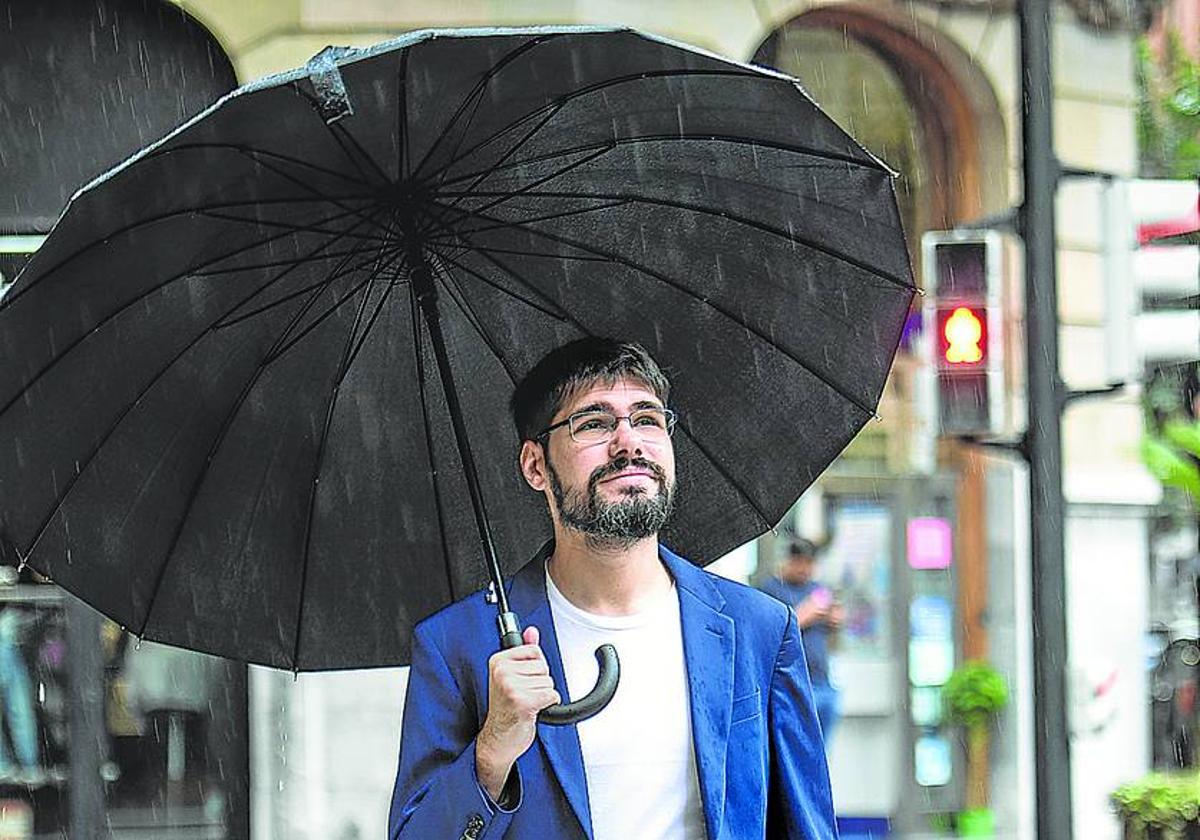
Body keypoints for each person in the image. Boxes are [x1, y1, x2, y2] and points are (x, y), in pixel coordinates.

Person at [388, 337, 836, 840]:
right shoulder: (459, 646)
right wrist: (491, 752)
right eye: (594, 423)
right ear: (536, 465)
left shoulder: (759, 628)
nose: (629, 443)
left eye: (647, 418)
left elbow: (806, 826)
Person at [758, 539, 842, 744]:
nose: (805, 569)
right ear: (790, 561)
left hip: (823, 680)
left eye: (810, 564)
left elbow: (834, 627)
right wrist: (805, 613)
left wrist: (834, 618)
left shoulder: (817, 589)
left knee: (822, 751)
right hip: (792, 686)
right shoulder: (773, 590)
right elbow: (774, 631)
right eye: (800, 563)